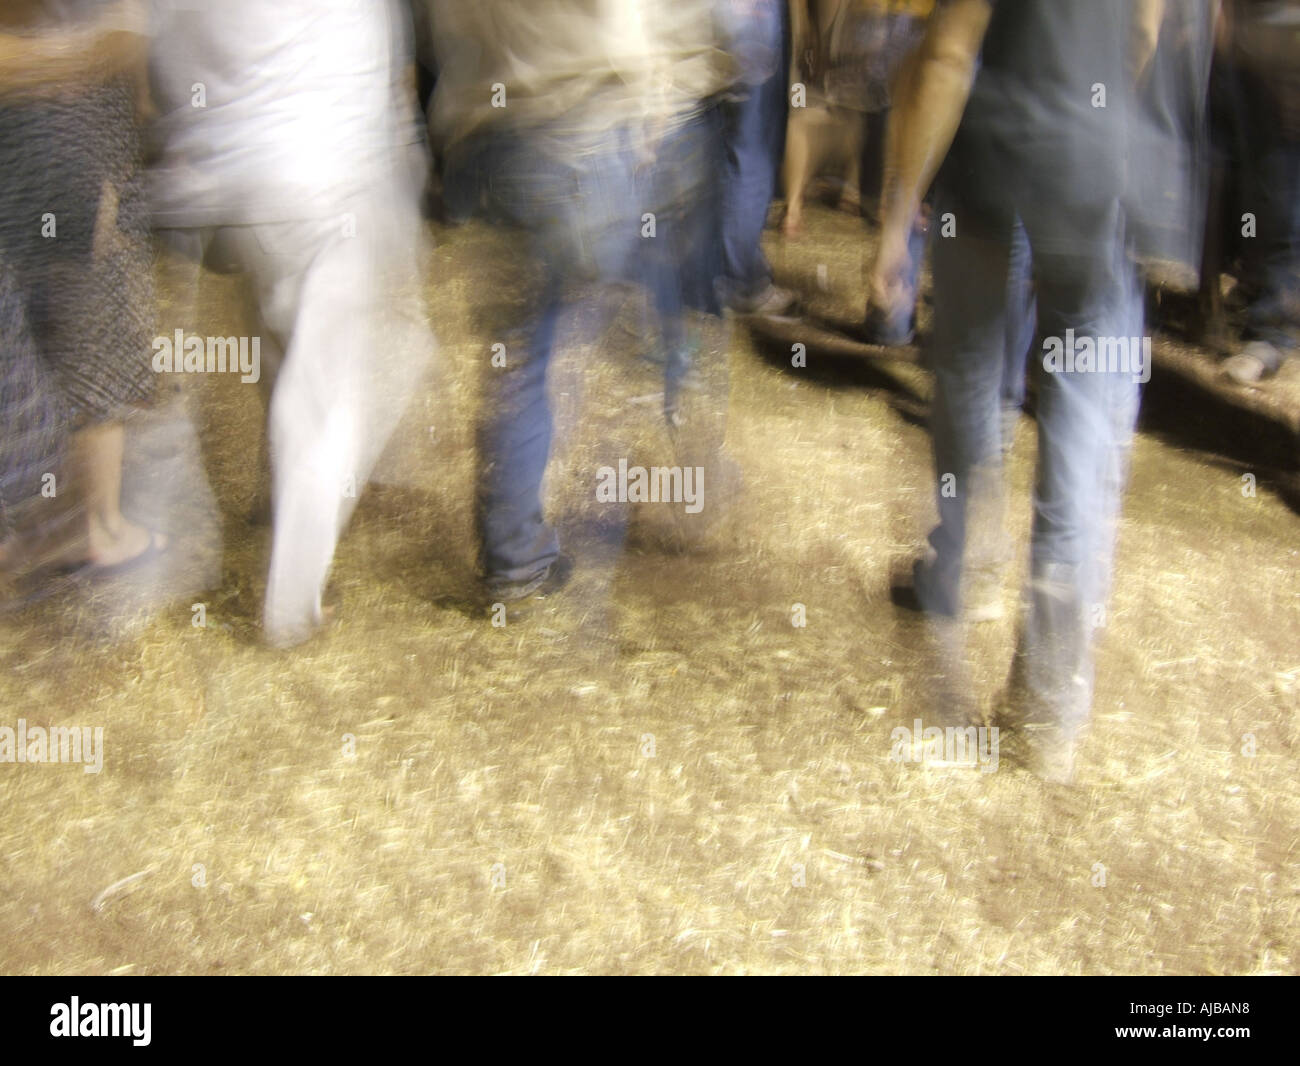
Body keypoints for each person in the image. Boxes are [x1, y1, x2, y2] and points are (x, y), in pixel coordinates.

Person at [868, 0, 1161, 782]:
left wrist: (899, 215)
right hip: (1094, 174)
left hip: (992, 162)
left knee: (968, 364)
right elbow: (1144, 33)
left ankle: (965, 567)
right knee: (1081, 425)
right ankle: (1046, 705)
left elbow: (948, 53)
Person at [426, 0, 736, 615]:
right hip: (581, 140)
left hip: (489, 144)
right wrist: (652, 104)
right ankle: (690, 476)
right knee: (641, 308)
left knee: (520, 359)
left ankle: (514, 556)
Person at [148, 0, 434, 647]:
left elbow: (159, 64)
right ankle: (292, 607)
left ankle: (275, 497)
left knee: (282, 349)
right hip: (318, 187)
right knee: (332, 402)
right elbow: (385, 79)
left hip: (222, 195)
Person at [0, 1, 164, 587]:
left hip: (50, 151)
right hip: (66, 148)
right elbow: (122, 45)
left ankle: (67, 521)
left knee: (54, 334)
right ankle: (96, 526)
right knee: (92, 333)